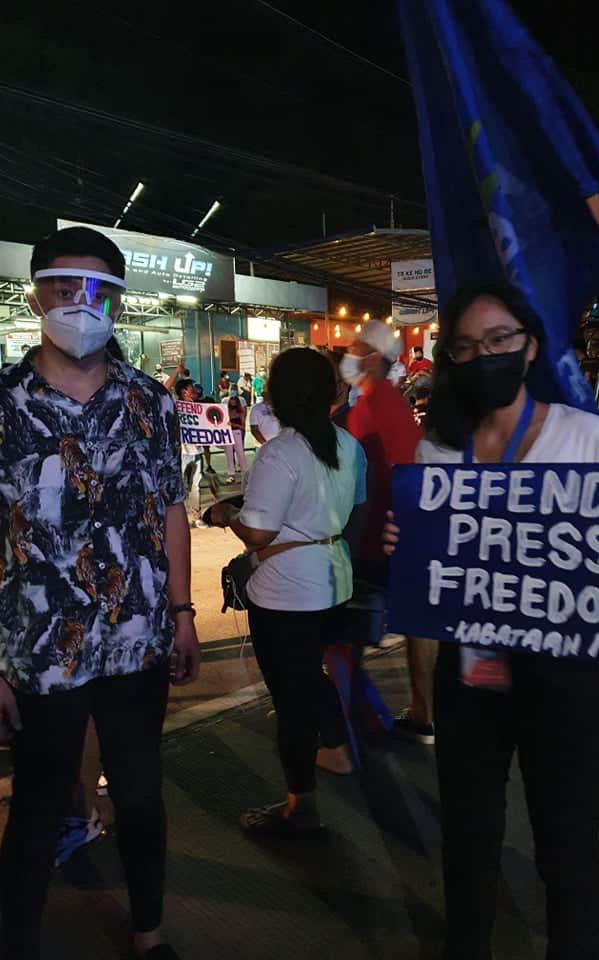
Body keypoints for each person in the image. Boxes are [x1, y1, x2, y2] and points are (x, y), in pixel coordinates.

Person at [0, 225, 201, 960]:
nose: (79, 305)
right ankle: (20, 945)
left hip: (139, 643)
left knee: (142, 796)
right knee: (35, 809)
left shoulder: (151, 404)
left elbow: (171, 511)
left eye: (96, 291)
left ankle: (148, 933)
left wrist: (183, 612)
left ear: (119, 303)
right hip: (37, 655)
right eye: (63, 288)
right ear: (35, 297)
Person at [383, 284, 599, 960]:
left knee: (567, 849)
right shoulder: (440, 449)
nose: (483, 356)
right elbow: (433, 565)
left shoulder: (586, 435)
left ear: (529, 348)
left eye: (498, 340)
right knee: (468, 841)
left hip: (568, 679)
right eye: (466, 347)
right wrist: (406, 548)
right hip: (473, 677)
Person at [208, 347, 367, 834]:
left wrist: (227, 514)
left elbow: (258, 533)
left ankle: (299, 805)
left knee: (291, 698)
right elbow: (355, 509)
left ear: (277, 396)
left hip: (285, 593)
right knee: (309, 676)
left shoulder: (280, 452)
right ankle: (336, 750)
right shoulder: (348, 445)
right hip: (333, 580)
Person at [341, 322, 434, 743]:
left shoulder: (371, 404)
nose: (348, 354)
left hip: (379, 535)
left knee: (347, 630)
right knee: (416, 623)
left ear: (374, 358)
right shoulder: (391, 401)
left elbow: (360, 480)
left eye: (355, 348)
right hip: (405, 529)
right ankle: (422, 713)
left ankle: (350, 722)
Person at [175, 379, 208, 527]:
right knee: (179, 487)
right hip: (182, 453)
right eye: (191, 389)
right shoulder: (175, 408)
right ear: (184, 392)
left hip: (197, 452)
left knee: (195, 486)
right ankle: (179, 518)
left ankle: (196, 516)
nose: (194, 392)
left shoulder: (199, 408)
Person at [222, 384, 248, 483]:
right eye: (231, 400)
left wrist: (235, 425)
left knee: (240, 452)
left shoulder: (240, 410)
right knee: (229, 453)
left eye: (234, 400)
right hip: (227, 432)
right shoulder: (225, 403)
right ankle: (231, 474)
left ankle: (245, 473)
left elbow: (242, 424)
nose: (232, 401)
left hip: (237, 432)